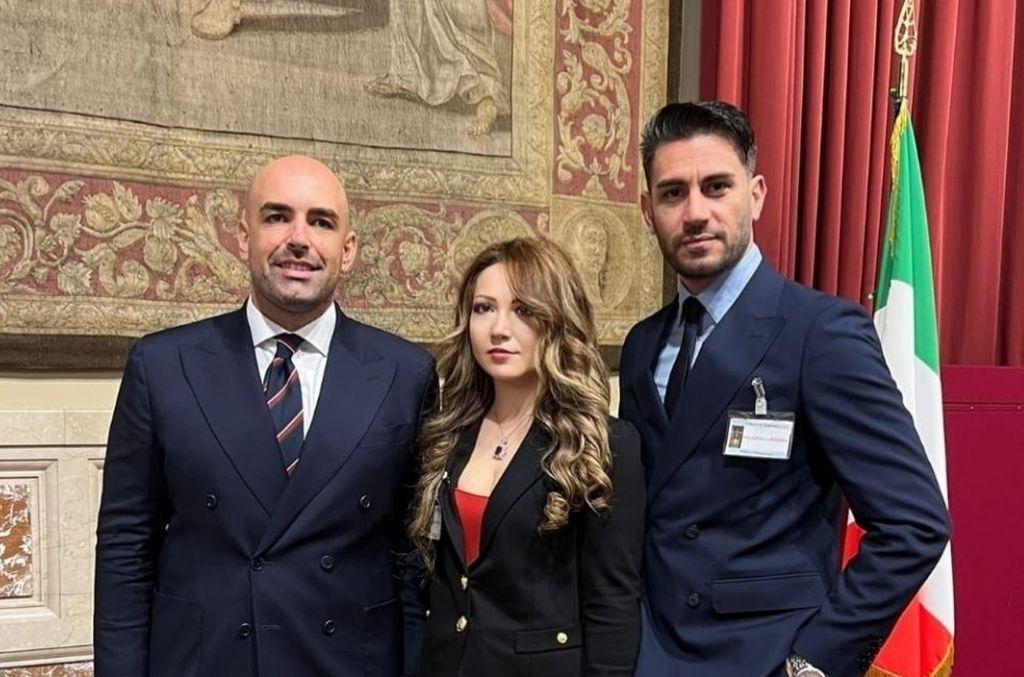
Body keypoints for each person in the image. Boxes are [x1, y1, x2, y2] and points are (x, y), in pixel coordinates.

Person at [619, 102, 951, 677]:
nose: (695, 213)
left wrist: (813, 662)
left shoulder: (820, 333)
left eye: (716, 187)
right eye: (673, 193)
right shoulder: (642, 345)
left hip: (767, 656)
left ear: (756, 196)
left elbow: (915, 524)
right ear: (649, 211)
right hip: (650, 654)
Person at [93, 155, 435, 677]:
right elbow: (125, 545)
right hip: (207, 660)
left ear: (347, 251)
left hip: (348, 660)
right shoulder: (162, 365)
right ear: (242, 237)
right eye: (277, 217)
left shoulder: (405, 373)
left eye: (321, 222)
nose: (299, 239)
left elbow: (412, 556)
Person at [410, 238, 645, 676]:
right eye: (484, 308)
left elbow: (612, 606)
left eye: (523, 310)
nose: (499, 329)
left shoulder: (603, 443)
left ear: (558, 320)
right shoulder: (448, 431)